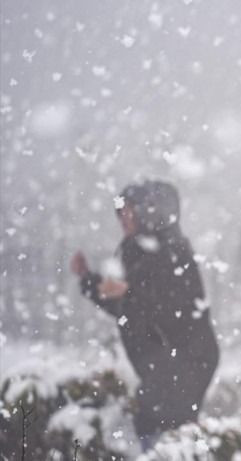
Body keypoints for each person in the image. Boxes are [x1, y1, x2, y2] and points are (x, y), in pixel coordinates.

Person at [70, 180, 219, 451]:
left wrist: (130, 291)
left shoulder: (172, 249)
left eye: (130, 212)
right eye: (121, 213)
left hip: (185, 360)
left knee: (162, 432)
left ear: (149, 212)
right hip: (163, 363)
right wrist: (89, 281)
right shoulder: (137, 250)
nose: (123, 219)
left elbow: (175, 304)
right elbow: (130, 309)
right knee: (158, 431)